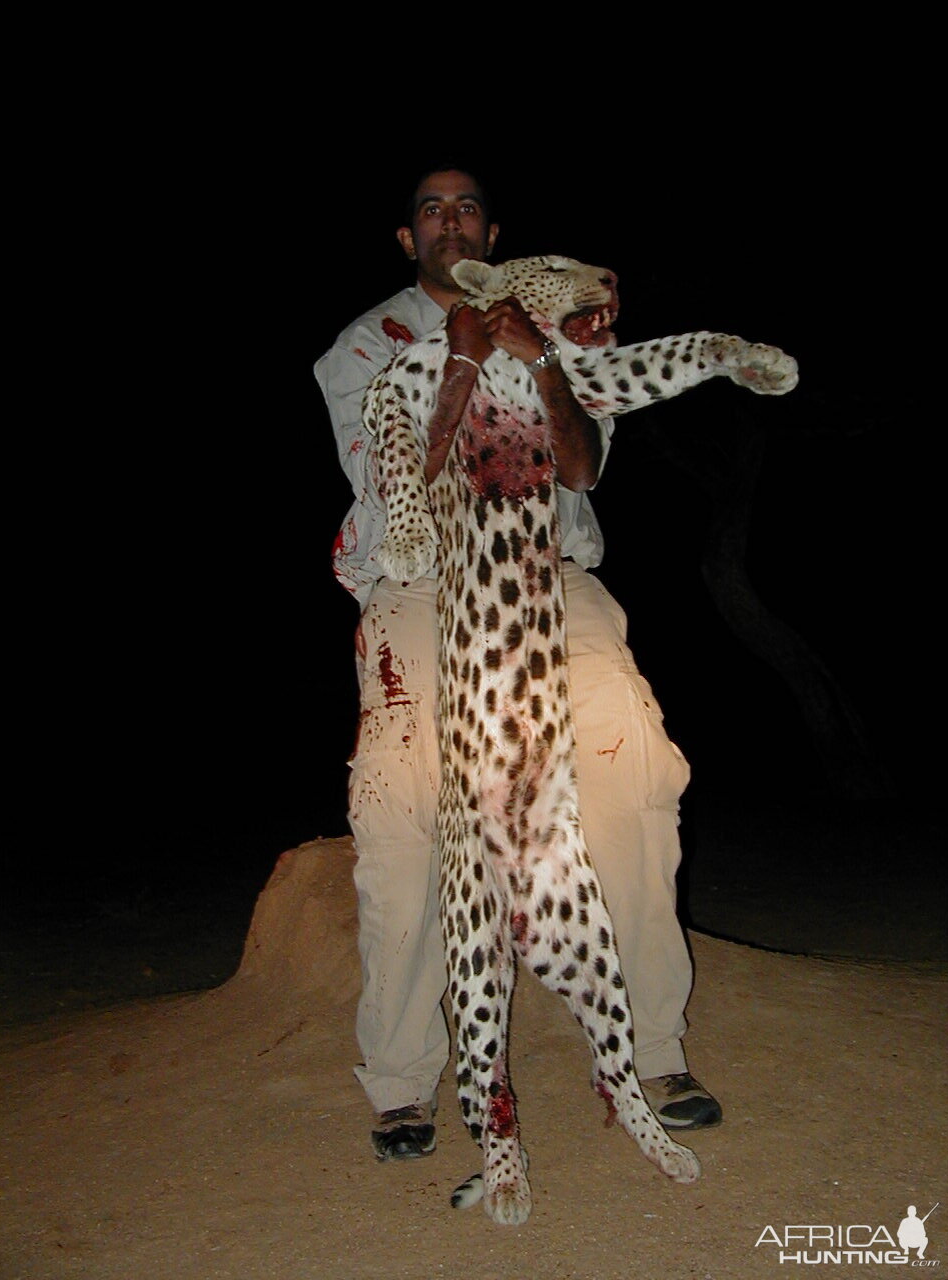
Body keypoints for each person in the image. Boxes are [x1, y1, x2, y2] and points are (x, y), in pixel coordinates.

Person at [314, 165, 721, 1161]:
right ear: (408, 240)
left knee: (634, 766)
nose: (449, 220)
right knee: (406, 800)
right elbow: (388, 471)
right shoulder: (365, 345)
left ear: (494, 231)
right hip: (421, 579)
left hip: (548, 565)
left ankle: (652, 1048)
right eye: (429, 209)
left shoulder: (566, 326)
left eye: (466, 207)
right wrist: (459, 361)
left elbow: (583, 464)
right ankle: (405, 1074)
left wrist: (539, 363)